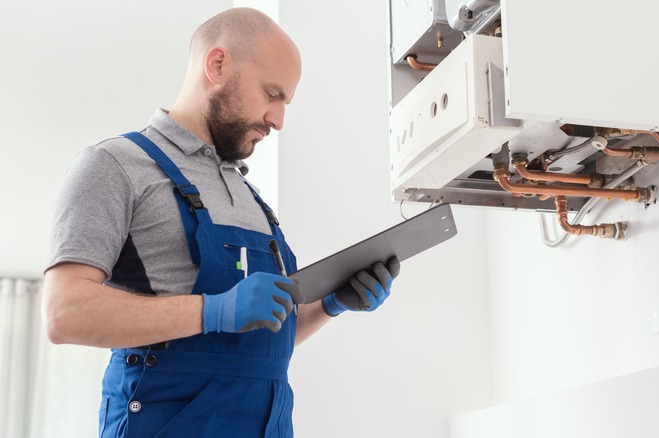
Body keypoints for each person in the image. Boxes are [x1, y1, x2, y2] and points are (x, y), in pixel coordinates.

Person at [42, 7, 399, 437]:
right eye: (272, 94)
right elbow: (65, 314)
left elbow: (250, 349)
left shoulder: (251, 198)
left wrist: (330, 304)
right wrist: (214, 310)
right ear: (217, 65)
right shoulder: (114, 166)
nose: (278, 120)